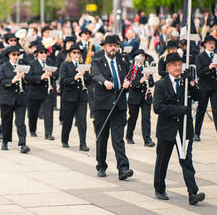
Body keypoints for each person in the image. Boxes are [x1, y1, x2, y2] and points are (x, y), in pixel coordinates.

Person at [153, 53, 205, 205]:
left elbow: (200, 97)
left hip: (184, 129)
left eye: (179, 64)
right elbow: (158, 107)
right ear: (168, 67)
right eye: (174, 64)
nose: (178, 67)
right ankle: (160, 188)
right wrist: (179, 110)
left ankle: (193, 193)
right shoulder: (161, 84)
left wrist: (193, 83)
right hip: (167, 128)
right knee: (162, 160)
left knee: (186, 160)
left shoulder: (186, 82)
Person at [91, 35, 133, 180]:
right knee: (102, 137)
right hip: (102, 105)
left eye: (115, 45)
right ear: (104, 47)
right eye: (110, 45)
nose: (113, 48)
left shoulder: (122, 61)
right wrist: (104, 82)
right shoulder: (97, 60)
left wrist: (128, 84)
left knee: (118, 138)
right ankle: (101, 165)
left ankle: (123, 168)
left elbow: (128, 77)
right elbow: (95, 74)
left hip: (119, 105)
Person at [0, 46, 30, 153]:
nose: (16, 57)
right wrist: (13, 80)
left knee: (20, 122)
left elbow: (30, 80)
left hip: (20, 98)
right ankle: (5, 141)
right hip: (7, 98)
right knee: (6, 121)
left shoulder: (23, 66)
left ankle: (23, 143)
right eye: (14, 55)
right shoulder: (3, 66)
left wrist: (24, 78)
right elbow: (1, 81)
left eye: (17, 55)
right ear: (9, 56)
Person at [59, 43, 89, 151]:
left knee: (82, 121)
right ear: (70, 54)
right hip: (69, 97)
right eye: (74, 53)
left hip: (82, 97)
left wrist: (85, 75)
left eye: (78, 53)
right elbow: (62, 80)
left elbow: (90, 80)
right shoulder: (65, 65)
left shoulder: (83, 65)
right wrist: (74, 78)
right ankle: (65, 140)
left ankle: (83, 143)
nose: (76, 55)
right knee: (68, 120)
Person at [125, 50, 155, 147]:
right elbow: (131, 84)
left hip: (146, 97)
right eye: (139, 56)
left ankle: (147, 139)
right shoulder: (132, 69)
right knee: (133, 117)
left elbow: (152, 83)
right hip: (135, 97)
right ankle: (129, 136)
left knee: (146, 118)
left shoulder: (146, 68)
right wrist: (140, 81)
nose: (141, 58)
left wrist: (149, 77)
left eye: (143, 56)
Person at [26, 44, 55, 140]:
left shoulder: (50, 62)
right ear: (37, 54)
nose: (43, 55)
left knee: (48, 113)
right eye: (41, 53)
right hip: (35, 91)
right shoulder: (31, 64)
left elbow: (57, 73)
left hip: (47, 91)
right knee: (33, 112)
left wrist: (52, 74)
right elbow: (29, 77)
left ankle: (48, 133)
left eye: (45, 53)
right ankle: (32, 129)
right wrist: (40, 77)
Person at [193, 34, 217, 141]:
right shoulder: (200, 57)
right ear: (205, 45)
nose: (212, 45)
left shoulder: (216, 55)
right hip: (204, 87)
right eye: (210, 43)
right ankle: (196, 133)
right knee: (201, 110)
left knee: (216, 111)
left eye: (213, 44)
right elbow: (199, 73)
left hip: (214, 87)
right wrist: (209, 67)